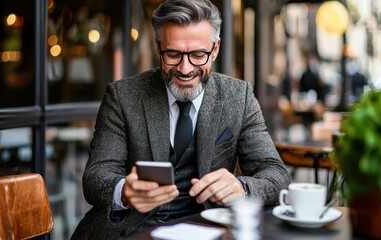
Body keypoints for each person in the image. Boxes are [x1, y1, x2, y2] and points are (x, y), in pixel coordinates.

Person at [71, 0, 290, 239]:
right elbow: (95, 177)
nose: (185, 69)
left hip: (210, 228)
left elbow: (276, 175)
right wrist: (124, 191)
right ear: (158, 47)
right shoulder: (123, 96)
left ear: (215, 49)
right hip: (132, 229)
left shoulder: (239, 96)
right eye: (173, 54)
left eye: (198, 55)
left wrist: (243, 187)